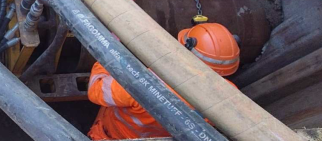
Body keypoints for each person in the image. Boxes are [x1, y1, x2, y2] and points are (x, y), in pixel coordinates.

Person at [87, 22, 240, 140]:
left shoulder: (142, 82)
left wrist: (110, 52)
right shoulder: (230, 95)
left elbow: (96, 89)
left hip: (115, 135)